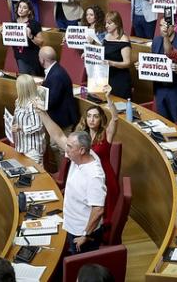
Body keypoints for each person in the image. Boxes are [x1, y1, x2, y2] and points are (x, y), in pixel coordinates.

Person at [38, 85, 119, 235]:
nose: (92, 119)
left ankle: (98, 232)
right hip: (84, 175)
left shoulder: (106, 134)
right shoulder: (80, 137)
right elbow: (59, 136)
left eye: (95, 116)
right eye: (89, 116)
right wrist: (42, 113)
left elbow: (115, 118)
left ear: (101, 119)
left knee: (101, 208)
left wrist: (108, 98)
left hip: (104, 176)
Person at [61, 131, 106, 254]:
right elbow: (58, 135)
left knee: (79, 267)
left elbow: (98, 209)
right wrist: (43, 114)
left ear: (81, 150)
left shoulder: (94, 176)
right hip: (72, 225)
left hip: (82, 233)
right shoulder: (79, 157)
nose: (66, 149)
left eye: (69, 147)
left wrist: (85, 235)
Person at [39, 46, 80, 168]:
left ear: (42, 60)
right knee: (55, 145)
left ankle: (65, 174)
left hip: (63, 119)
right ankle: (61, 171)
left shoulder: (56, 74)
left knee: (64, 149)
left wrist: (39, 98)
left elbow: (52, 100)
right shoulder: (54, 70)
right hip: (58, 118)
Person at [149, 18, 177, 122]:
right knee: (162, 121)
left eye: (166, 26)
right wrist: (143, 65)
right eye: (161, 26)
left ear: (174, 27)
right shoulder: (156, 40)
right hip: (159, 88)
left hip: (175, 89)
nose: (163, 29)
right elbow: (152, 61)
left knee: (176, 121)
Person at [4, 0, 44, 76]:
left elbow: (41, 42)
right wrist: (4, 32)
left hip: (32, 57)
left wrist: (31, 36)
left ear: (29, 11)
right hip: (19, 56)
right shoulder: (13, 23)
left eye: (24, 8)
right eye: (20, 7)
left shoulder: (34, 24)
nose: (21, 9)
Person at [11, 75, 45, 163]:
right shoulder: (18, 101)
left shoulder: (34, 104)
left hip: (32, 148)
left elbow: (38, 125)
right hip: (21, 144)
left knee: (35, 174)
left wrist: (21, 128)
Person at [102, 11, 133, 99]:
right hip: (107, 77)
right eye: (106, 23)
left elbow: (127, 63)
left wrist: (111, 63)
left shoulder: (124, 40)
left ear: (117, 24)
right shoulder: (106, 37)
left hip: (120, 79)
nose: (106, 26)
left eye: (109, 23)